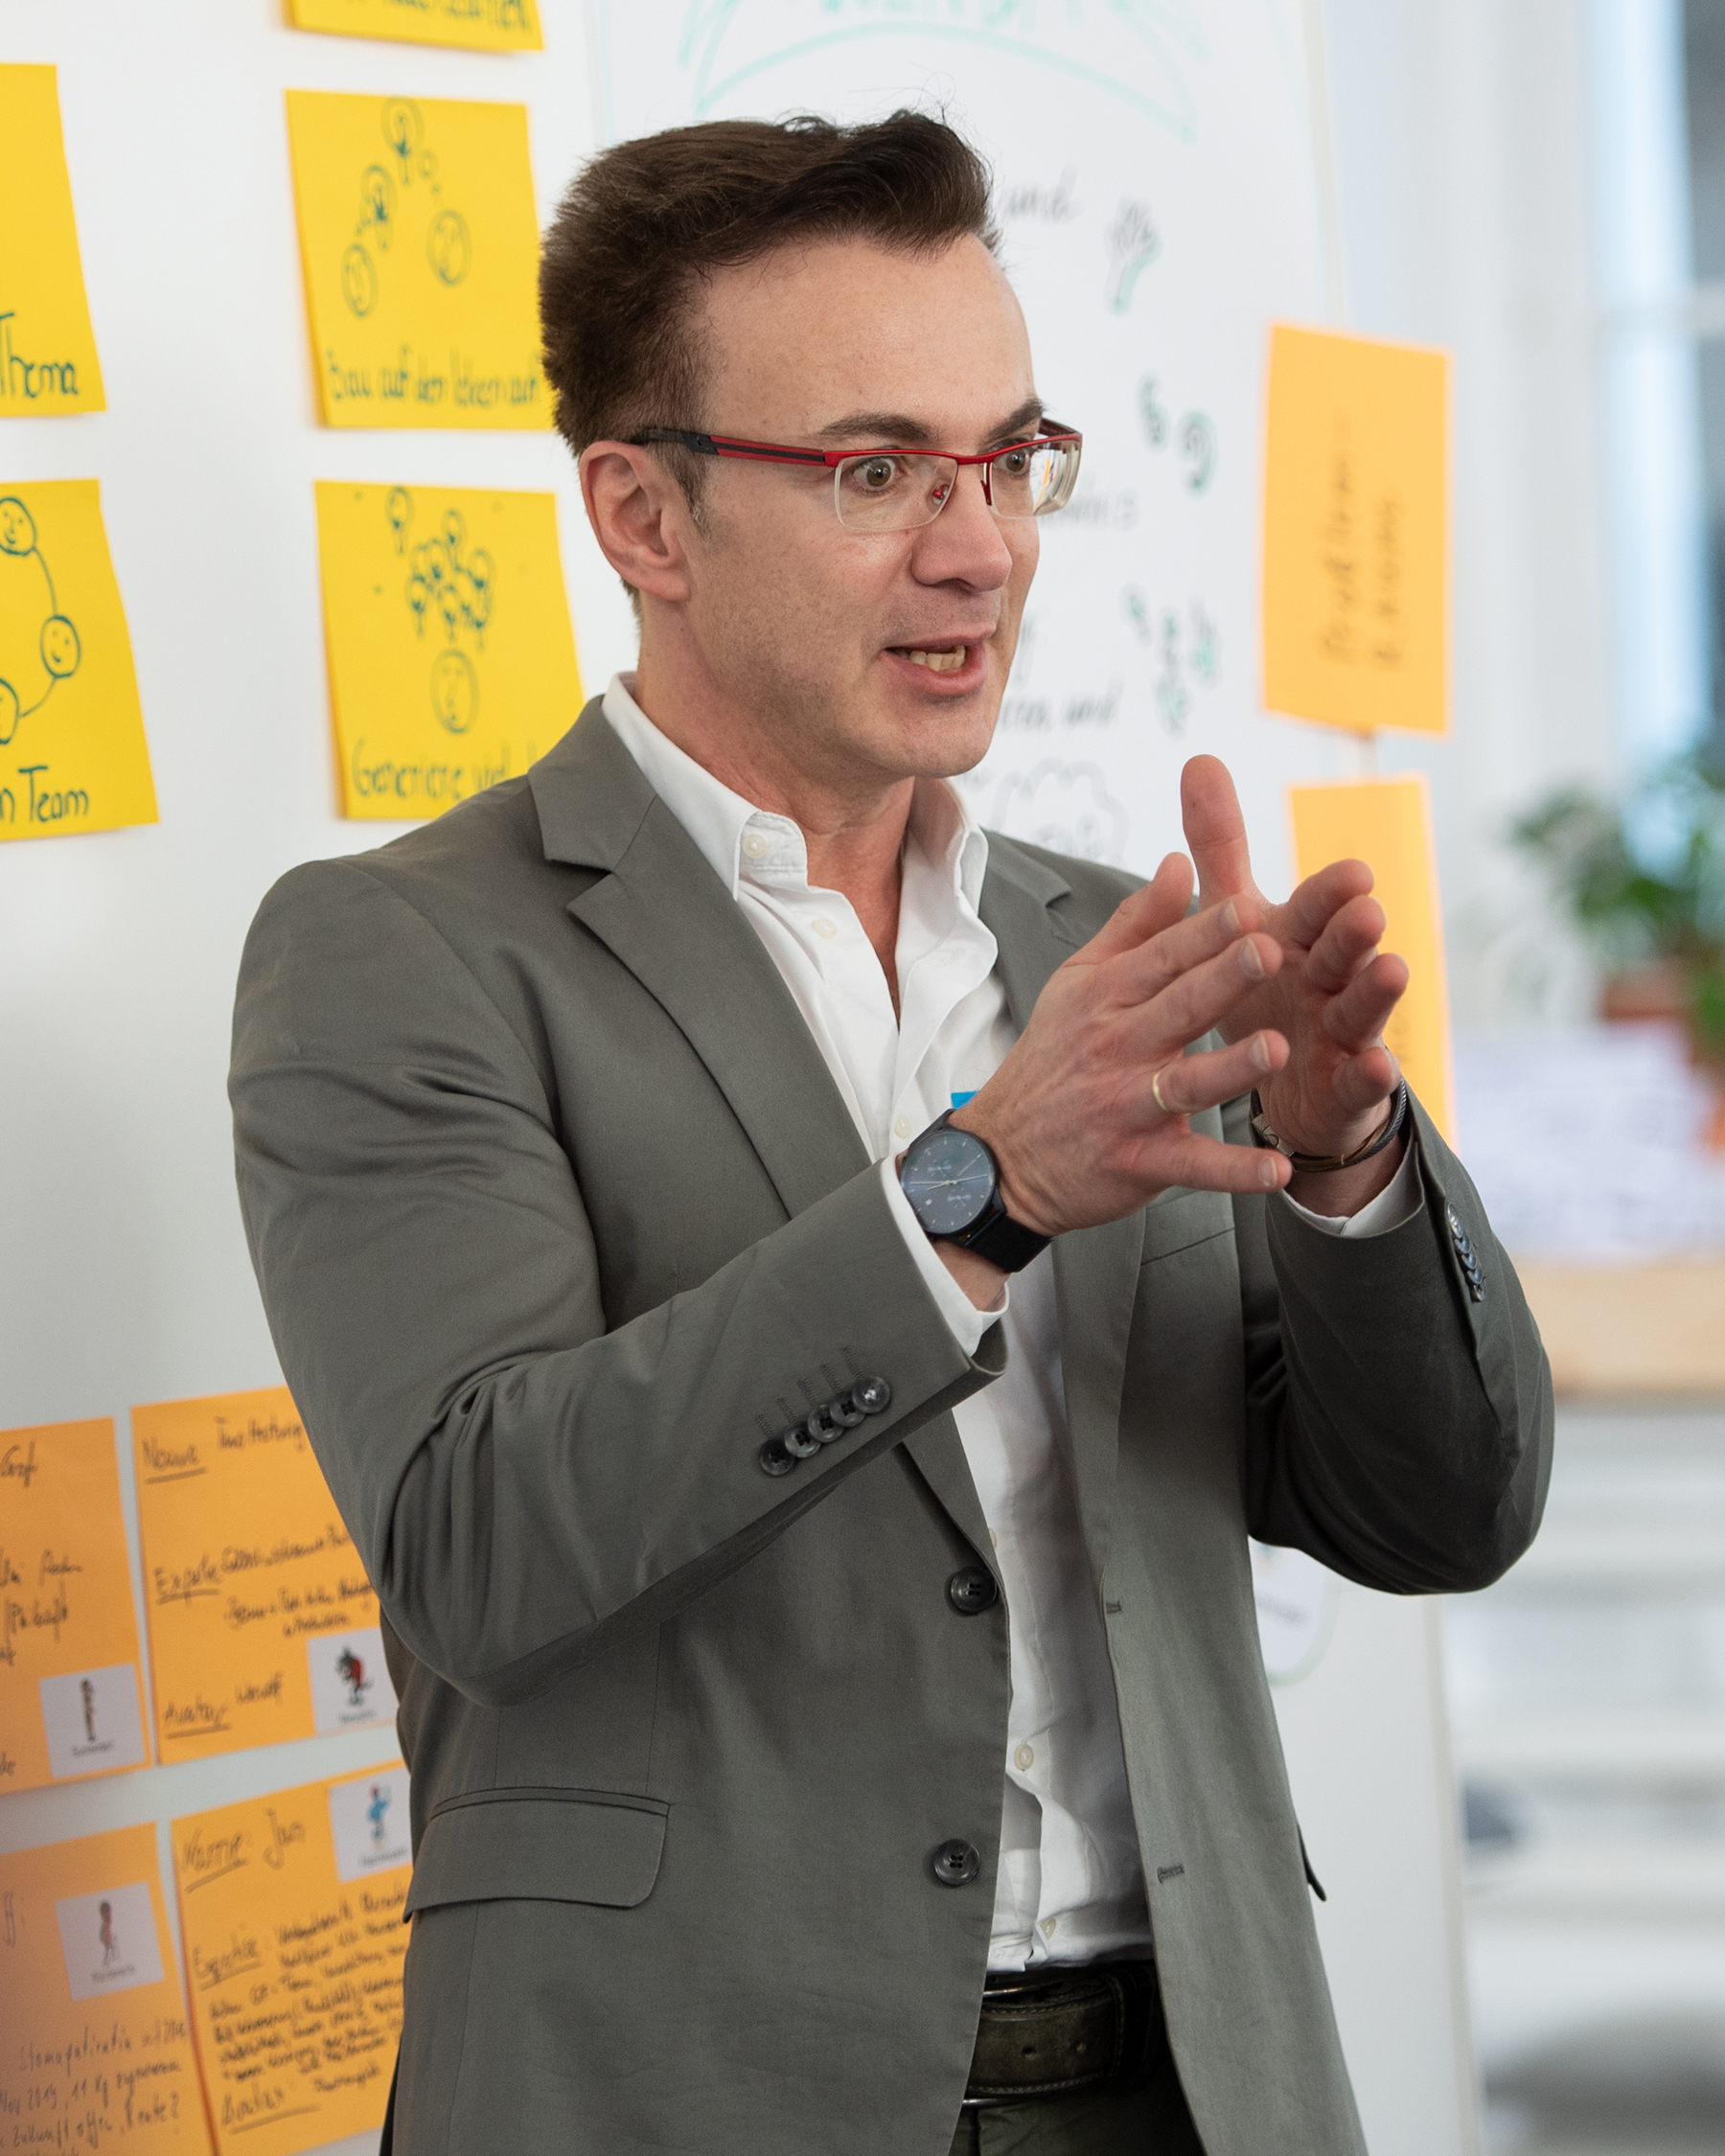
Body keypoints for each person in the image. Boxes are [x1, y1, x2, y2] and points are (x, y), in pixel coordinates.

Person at [229, 113, 1552, 2156]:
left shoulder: (1116, 949)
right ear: (643, 517)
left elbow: (1441, 1517)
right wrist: (974, 1193)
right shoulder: (406, 955)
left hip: (1195, 2088)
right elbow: (483, 1551)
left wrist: (1349, 1164)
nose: (980, 547)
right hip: (684, 2102)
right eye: (877, 472)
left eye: (1009, 460)